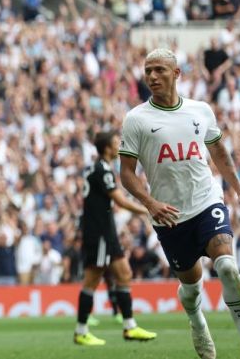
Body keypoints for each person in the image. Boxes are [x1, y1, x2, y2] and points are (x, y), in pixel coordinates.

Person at [119, 48, 240, 359]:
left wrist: (238, 192)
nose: (152, 77)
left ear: (177, 73)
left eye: (159, 70)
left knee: (226, 265)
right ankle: (197, 321)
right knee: (193, 287)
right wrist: (149, 202)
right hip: (169, 215)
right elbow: (126, 174)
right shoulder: (136, 119)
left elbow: (219, 154)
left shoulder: (201, 110)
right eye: (148, 71)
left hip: (207, 199)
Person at [74, 131, 157, 346]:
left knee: (124, 273)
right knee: (92, 279)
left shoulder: (98, 168)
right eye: (114, 143)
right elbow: (119, 200)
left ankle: (130, 327)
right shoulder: (102, 169)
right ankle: (81, 331)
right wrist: (148, 208)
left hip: (105, 231)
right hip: (99, 233)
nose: (118, 145)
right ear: (107, 148)